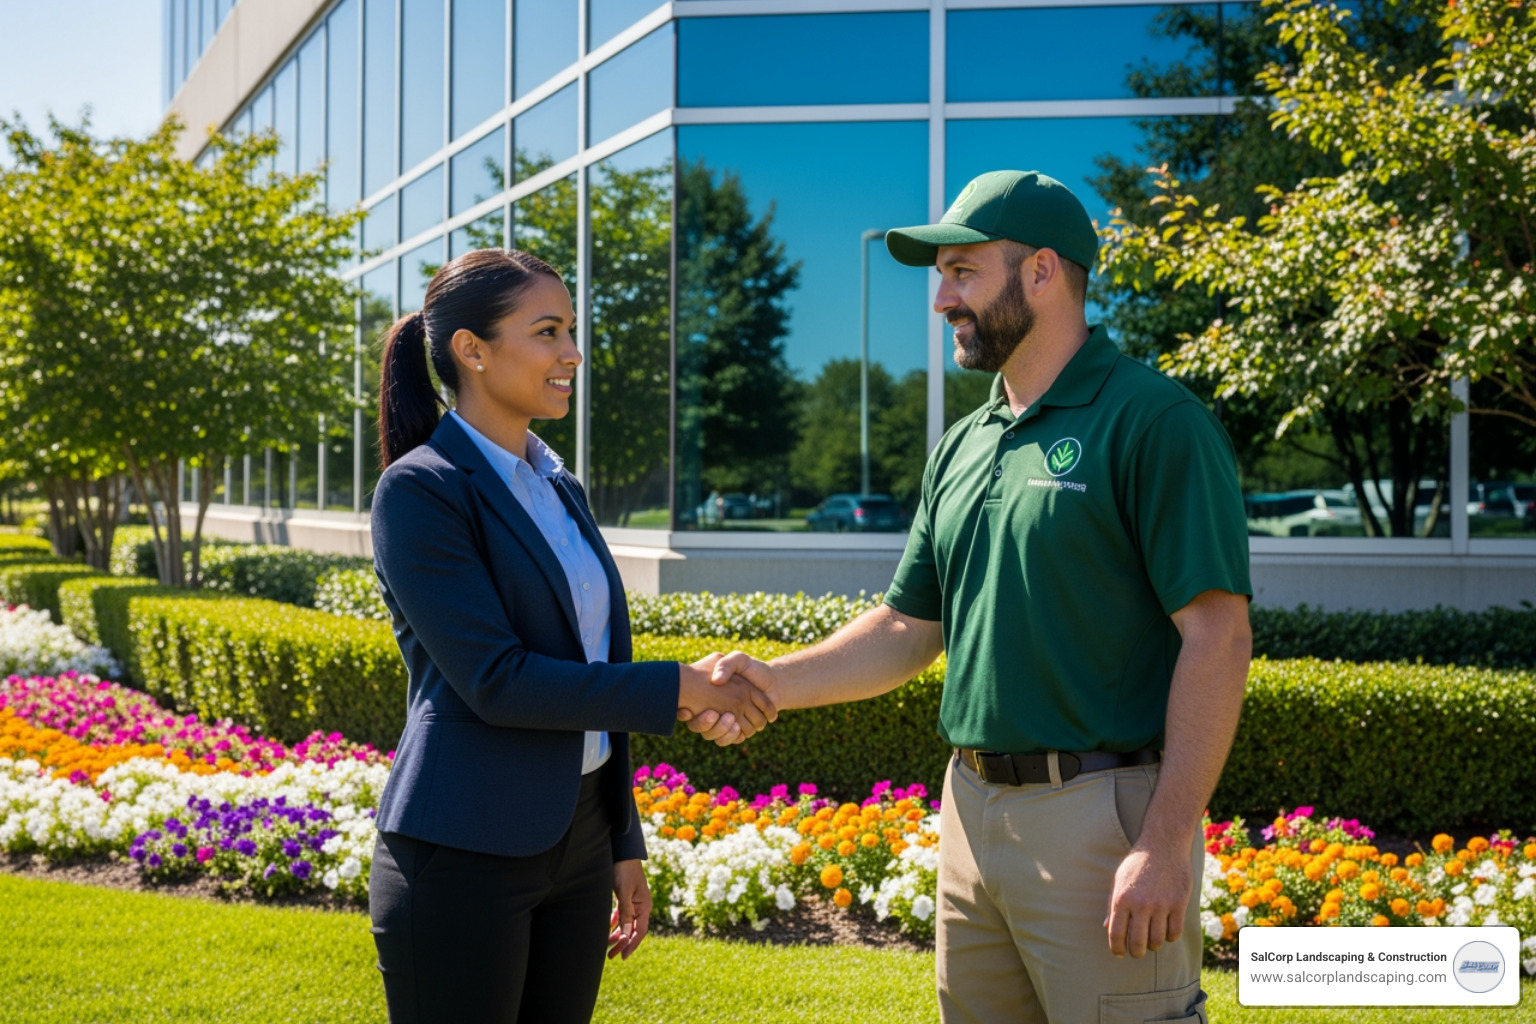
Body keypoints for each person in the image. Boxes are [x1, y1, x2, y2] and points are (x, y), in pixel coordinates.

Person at [689, 171, 1252, 1024]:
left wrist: (1167, 841)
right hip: (971, 810)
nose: (941, 300)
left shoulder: (1153, 420)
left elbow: (1218, 636)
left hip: (1100, 822)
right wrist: (768, 681)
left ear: (1041, 272)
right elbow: (908, 627)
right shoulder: (964, 442)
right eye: (940, 277)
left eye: (962, 273)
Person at [367, 248, 776, 1024]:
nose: (572, 354)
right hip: (463, 850)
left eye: (572, 331)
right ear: (473, 351)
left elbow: (596, 665)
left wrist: (621, 838)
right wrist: (683, 686)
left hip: (579, 842)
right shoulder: (421, 490)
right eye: (548, 332)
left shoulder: (558, 484)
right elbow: (499, 680)